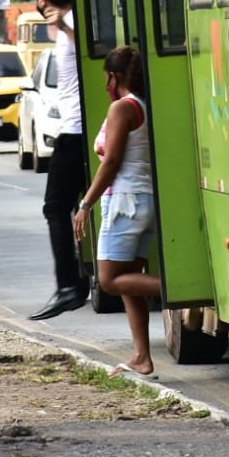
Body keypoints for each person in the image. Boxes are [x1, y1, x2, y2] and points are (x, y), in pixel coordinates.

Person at [72, 47, 161, 377]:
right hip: (143, 199)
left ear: (114, 76)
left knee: (109, 280)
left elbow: (111, 162)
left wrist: (85, 205)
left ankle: (172, 289)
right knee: (129, 283)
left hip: (125, 201)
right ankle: (142, 357)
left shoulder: (122, 108)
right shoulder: (144, 104)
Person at [25, 0, 88, 321]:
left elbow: (91, 53)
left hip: (76, 130)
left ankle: (69, 286)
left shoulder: (74, 23)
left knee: (55, 206)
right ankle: (76, 280)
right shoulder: (66, 25)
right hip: (72, 127)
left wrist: (63, 25)